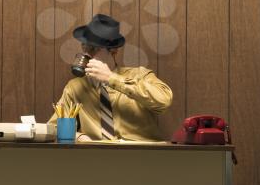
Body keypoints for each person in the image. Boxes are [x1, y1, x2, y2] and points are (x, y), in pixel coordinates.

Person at [47, 13, 173, 141]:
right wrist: (80, 136)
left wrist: (111, 78)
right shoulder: (75, 87)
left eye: (93, 49)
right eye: (84, 46)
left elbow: (164, 100)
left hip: (141, 153)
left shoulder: (139, 75)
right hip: (98, 155)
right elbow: (54, 128)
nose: (86, 54)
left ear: (113, 51)